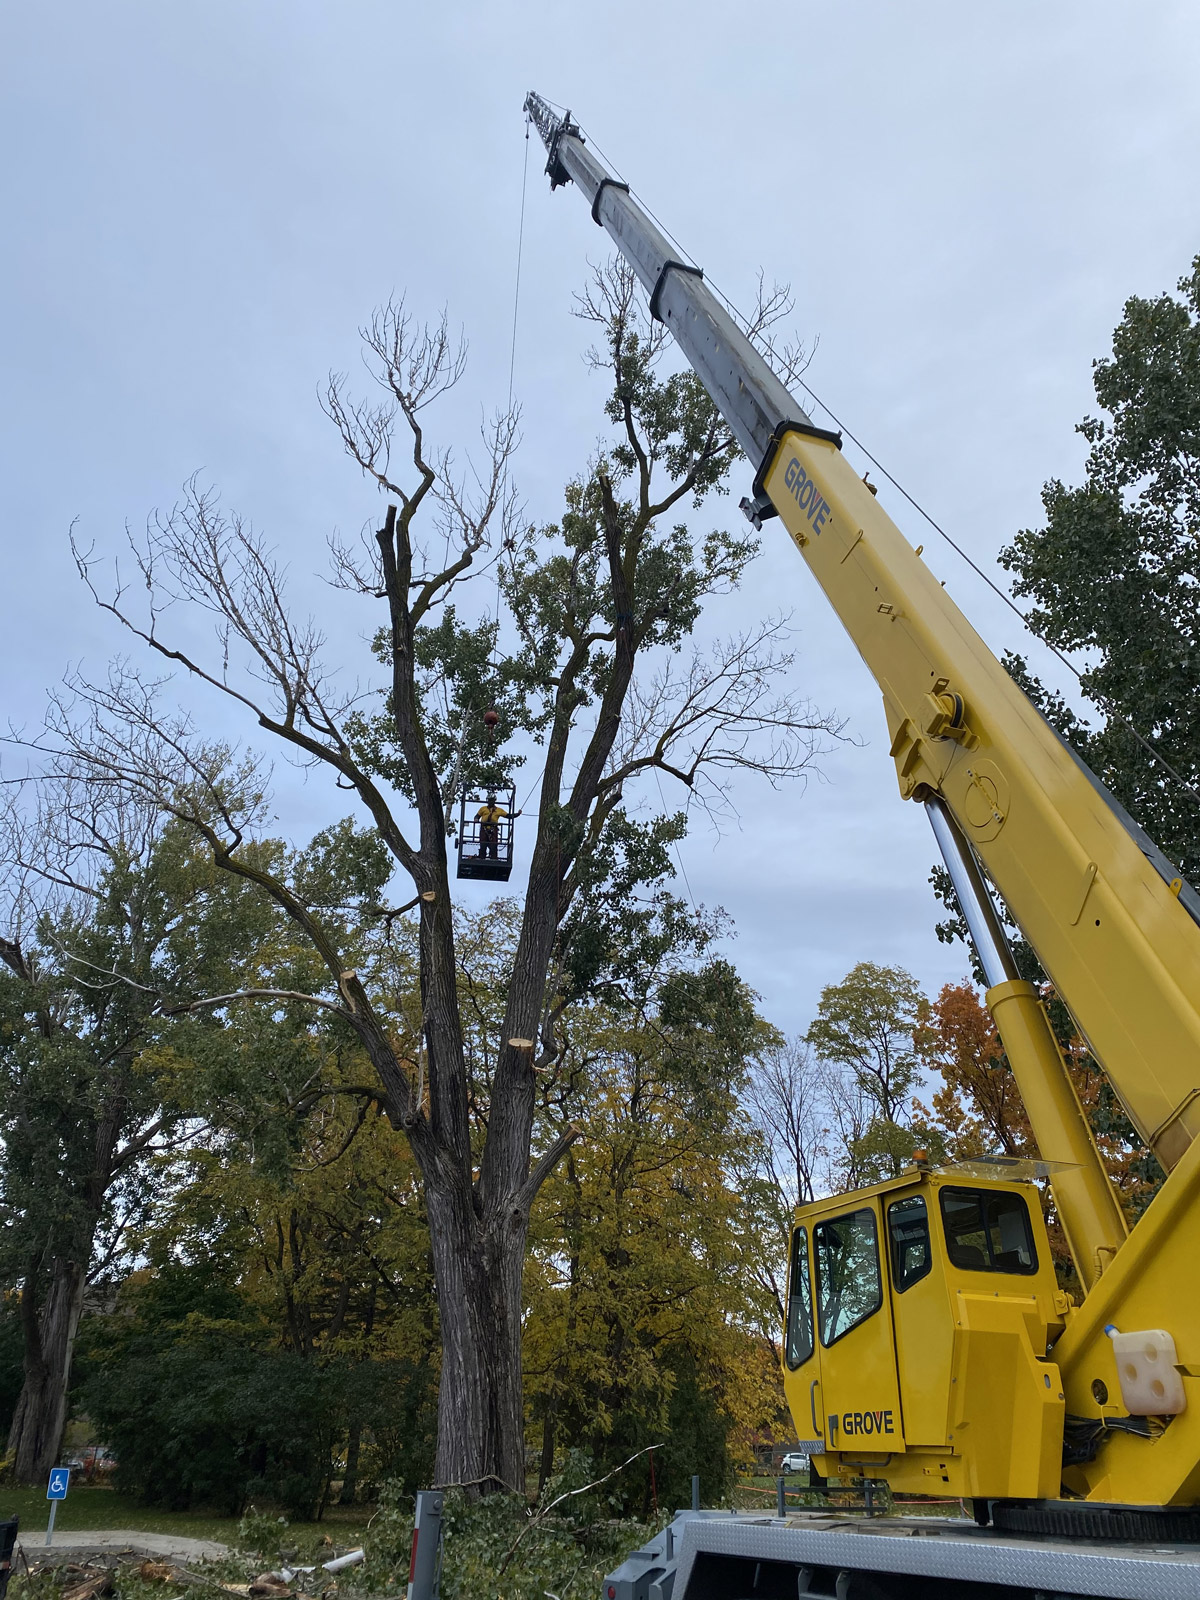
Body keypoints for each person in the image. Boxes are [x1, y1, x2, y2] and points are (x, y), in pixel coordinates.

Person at [475, 792, 508, 859]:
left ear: (494, 800)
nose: (490, 801)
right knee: (483, 844)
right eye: (489, 800)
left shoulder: (498, 810)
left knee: (493, 845)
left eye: (492, 800)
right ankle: (482, 857)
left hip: (493, 829)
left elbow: (508, 815)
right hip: (484, 829)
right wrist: (476, 819)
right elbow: (477, 816)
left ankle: (493, 858)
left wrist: (517, 814)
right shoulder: (483, 809)